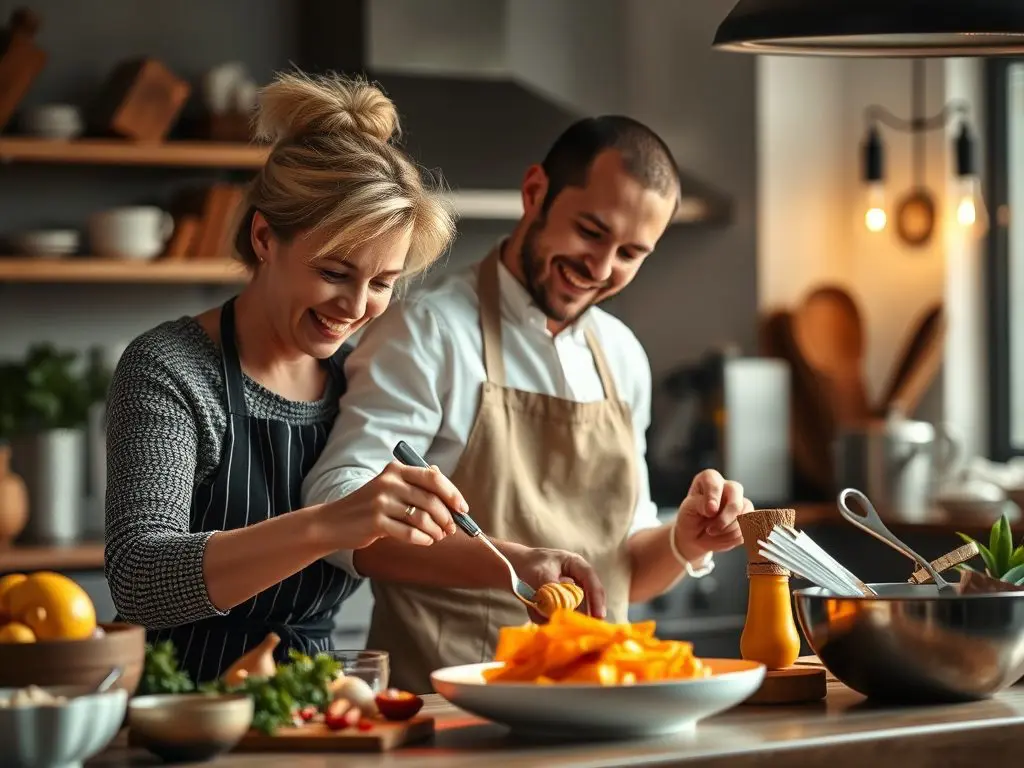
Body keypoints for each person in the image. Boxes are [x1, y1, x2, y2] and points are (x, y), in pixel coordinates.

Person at [302, 115, 753, 694]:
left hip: (601, 708)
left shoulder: (622, 355)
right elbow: (336, 508)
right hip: (453, 711)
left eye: (630, 253)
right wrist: (511, 562)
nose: (600, 268)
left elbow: (621, 575)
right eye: (591, 231)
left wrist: (686, 540)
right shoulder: (429, 331)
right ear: (536, 191)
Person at [103, 70, 473, 684]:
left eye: (382, 283)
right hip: (179, 704)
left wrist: (517, 563)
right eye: (334, 273)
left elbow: (381, 547)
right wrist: (330, 522)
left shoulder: (362, 379)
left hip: (316, 702)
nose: (356, 307)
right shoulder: (171, 368)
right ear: (264, 237)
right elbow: (141, 579)